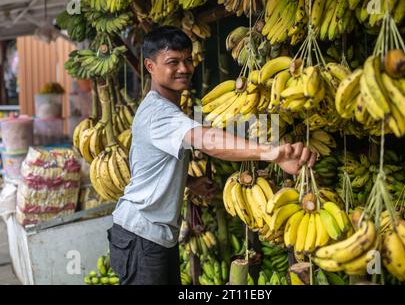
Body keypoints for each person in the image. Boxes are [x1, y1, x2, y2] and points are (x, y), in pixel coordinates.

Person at [108, 26, 317, 285]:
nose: (184, 68)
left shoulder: (167, 109)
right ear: (150, 66)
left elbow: (149, 166)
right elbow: (207, 139)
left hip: (151, 236)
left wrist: (190, 183)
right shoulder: (159, 113)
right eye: (172, 62)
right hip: (142, 237)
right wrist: (270, 152)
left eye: (187, 59)